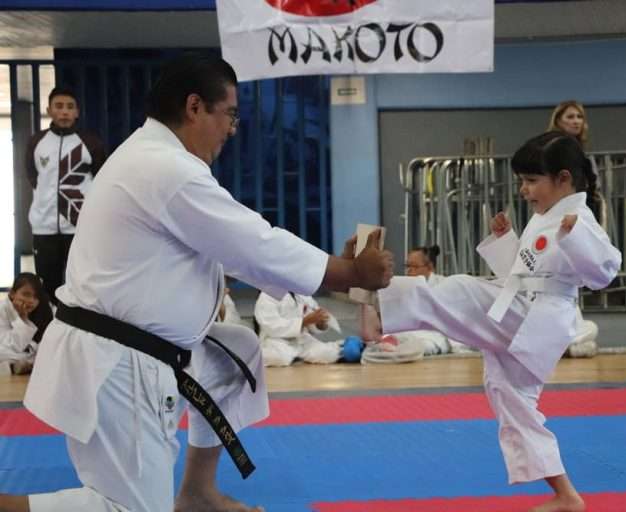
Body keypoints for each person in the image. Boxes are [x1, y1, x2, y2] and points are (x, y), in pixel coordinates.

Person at [0, 54, 392, 512]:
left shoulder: (150, 156)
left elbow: (234, 248)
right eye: (230, 114)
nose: (232, 129)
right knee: (129, 509)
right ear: (194, 107)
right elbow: (254, 243)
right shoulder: (165, 169)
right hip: (115, 361)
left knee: (234, 355)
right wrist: (348, 273)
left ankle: (197, 492)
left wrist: (334, 269)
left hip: (130, 344)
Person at [373, 131, 621, 512]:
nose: (524, 190)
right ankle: (566, 495)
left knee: (460, 290)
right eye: (522, 180)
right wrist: (507, 242)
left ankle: (379, 307)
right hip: (525, 309)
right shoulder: (546, 216)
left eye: (531, 180)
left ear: (563, 178)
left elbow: (605, 273)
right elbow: (525, 272)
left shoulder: (579, 220)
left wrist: (575, 236)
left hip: (537, 316)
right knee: (510, 399)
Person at [26, 87, 107, 304]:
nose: (64, 112)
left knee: (81, 284)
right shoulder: (36, 142)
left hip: (79, 227)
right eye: (59, 106)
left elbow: (101, 180)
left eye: (70, 107)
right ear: (48, 110)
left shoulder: (91, 143)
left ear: (77, 112)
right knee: (47, 287)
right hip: (44, 228)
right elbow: (32, 176)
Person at [548, 101, 599, 358]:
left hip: (580, 215)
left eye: (580, 116)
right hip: (558, 217)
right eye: (570, 116)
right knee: (559, 272)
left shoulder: (581, 153)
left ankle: (570, 337)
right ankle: (560, 336)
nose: (576, 121)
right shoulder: (550, 150)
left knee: (574, 274)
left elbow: (590, 186)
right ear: (558, 120)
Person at [254, 291, 343, 367]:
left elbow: (312, 320)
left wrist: (320, 323)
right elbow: (271, 325)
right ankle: (252, 355)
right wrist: (303, 322)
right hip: (276, 340)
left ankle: (344, 345)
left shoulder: (302, 294)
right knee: (280, 358)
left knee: (328, 353)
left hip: (301, 339)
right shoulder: (267, 296)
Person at [0, 273, 53, 375]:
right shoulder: (2, 309)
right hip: (8, 353)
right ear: (12, 293)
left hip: (27, 355)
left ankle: (21, 365)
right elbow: (11, 346)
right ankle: (17, 366)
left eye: (35, 297)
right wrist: (23, 318)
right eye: (26, 294)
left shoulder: (45, 310)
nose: (31, 300)